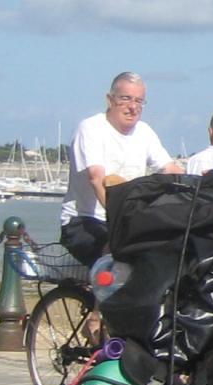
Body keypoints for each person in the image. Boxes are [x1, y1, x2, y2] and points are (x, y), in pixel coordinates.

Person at [59, 73, 182, 262]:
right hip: (85, 220)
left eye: (139, 101)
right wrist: (121, 220)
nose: (133, 107)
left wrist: (198, 183)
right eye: (125, 99)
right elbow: (96, 178)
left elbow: (169, 168)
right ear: (110, 100)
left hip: (128, 221)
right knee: (119, 259)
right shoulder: (91, 128)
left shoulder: (144, 132)